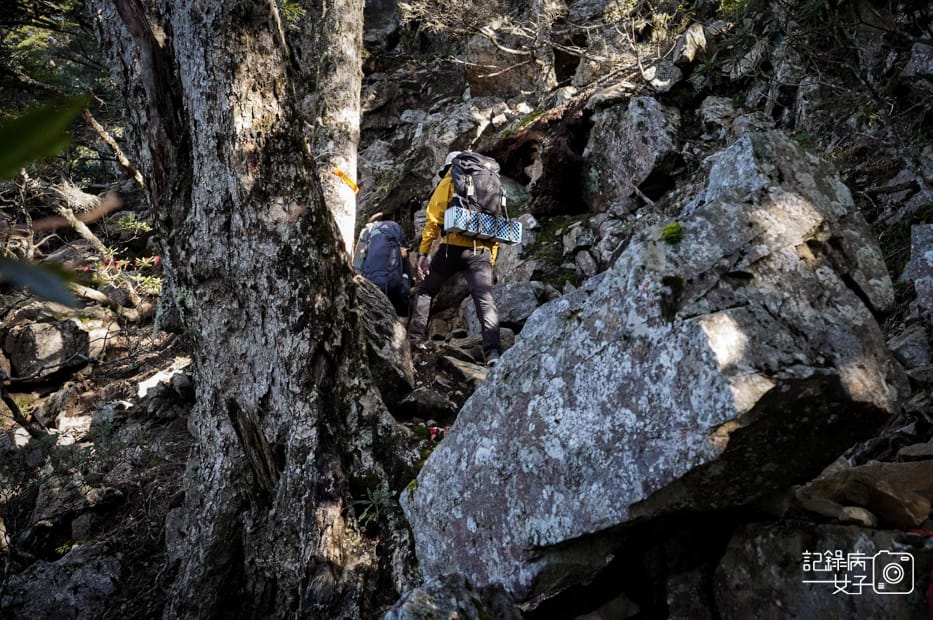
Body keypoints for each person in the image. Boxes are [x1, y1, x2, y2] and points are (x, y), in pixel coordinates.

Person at [409, 151, 502, 366]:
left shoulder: (451, 179)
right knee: (484, 299)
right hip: (482, 250)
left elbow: (433, 219)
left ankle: (416, 339)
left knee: (426, 290)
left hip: (452, 247)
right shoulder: (488, 184)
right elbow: (496, 225)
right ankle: (493, 352)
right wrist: (492, 259)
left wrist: (423, 253)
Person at [352, 211, 411, 316]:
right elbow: (404, 253)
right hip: (392, 282)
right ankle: (404, 314)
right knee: (404, 261)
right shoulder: (395, 227)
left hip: (370, 283)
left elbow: (357, 261)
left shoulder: (367, 232)